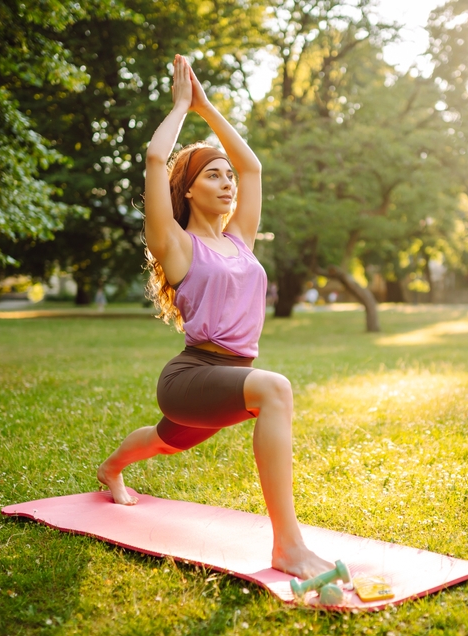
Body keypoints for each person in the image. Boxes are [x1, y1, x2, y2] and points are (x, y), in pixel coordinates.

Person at [96, 55, 333, 579]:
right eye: (213, 175)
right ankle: (288, 547)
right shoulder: (176, 246)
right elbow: (156, 161)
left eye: (228, 177)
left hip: (223, 377)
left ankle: (110, 469)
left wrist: (208, 109)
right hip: (192, 375)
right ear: (188, 190)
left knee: (164, 440)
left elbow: (254, 167)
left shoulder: (239, 241)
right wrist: (181, 107)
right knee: (275, 389)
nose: (229, 183)